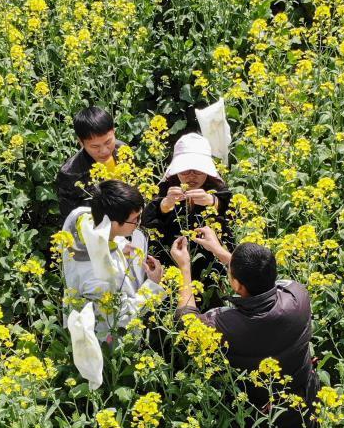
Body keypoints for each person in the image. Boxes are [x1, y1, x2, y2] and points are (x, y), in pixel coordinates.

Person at [170, 227, 317, 428]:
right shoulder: (298, 295)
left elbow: (187, 323)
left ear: (237, 285)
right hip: (305, 393)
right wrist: (219, 250)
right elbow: (264, 282)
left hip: (261, 413)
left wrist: (184, 269)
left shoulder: (231, 325)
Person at [61, 180, 164, 338]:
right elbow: (121, 317)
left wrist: (118, 248)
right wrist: (153, 285)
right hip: (104, 343)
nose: (139, 223)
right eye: (135, 219)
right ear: (113, 223)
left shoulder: (82, 218)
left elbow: (99, 238)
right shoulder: (100, 277)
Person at [142, 133, 233, 285]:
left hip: (211, 269)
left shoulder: (217, 189)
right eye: (185, 171)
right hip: (172, 266)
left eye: (198, 171)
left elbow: (232, 211)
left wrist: (213, 202)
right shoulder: (165, 189)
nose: (191, 176)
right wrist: (164, 206)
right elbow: (146, 222)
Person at [56, 107, 127, 220]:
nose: (104, 151)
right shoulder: (70, 174)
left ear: (113, 131)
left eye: (108, 142)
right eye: (95, 146)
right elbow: (70, 218)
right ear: (81, 142)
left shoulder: (123, 149)